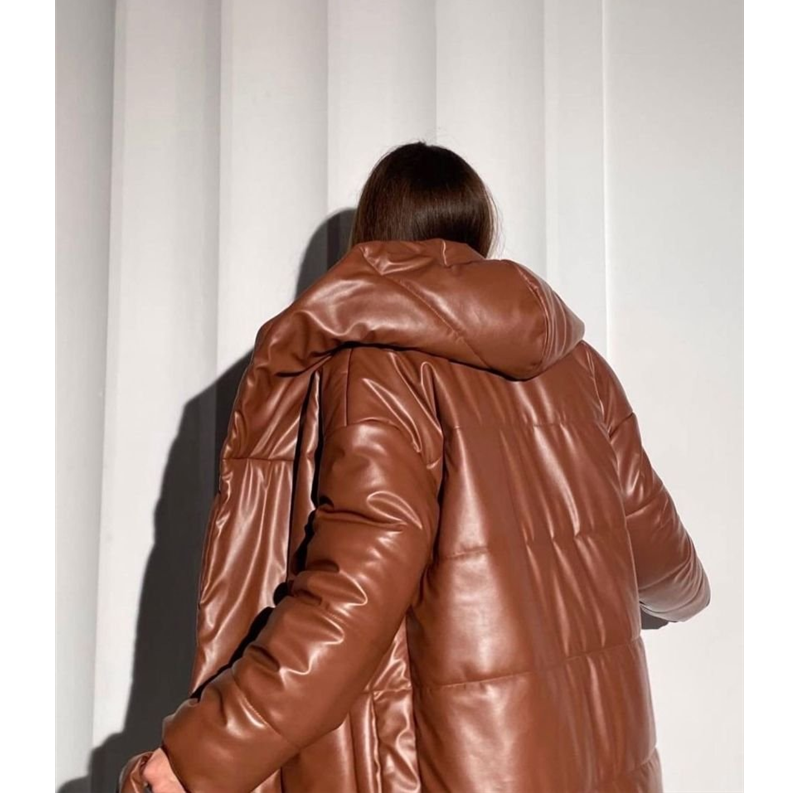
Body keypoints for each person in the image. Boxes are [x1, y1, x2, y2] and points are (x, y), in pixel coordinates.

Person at [122, 141, 710, 793]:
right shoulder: (582, 371)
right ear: (478, 230)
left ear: (374, 234)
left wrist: (202, 756)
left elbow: (355, 590)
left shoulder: (379, 368)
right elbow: (672, 572)